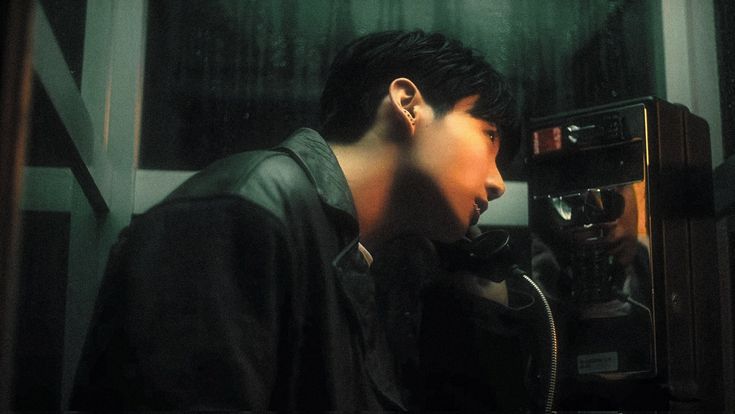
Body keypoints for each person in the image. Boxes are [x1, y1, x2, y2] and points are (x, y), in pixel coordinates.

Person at [70, 30, 519, 411]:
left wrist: (476, 315)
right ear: (408, 104)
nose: (498, 183)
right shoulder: (241, 211)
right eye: (489, 135)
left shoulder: (374, 266)